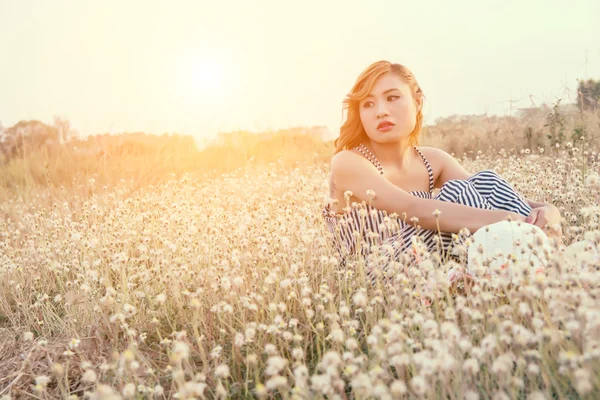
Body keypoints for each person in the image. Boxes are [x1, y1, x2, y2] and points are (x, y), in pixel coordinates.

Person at [322, 60, 562, 284]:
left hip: (430, 263)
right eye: (368, 104)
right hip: (375, 274)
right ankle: (529, 257)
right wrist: (510, 222)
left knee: (485, 180)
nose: (381, 111)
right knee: (457, 192)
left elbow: (488, 194)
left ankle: (535, 255)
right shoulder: (348, 162)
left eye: (392, 97)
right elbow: (417, 211)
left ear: (417, 102)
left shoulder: (432, 160)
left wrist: (547, 212)